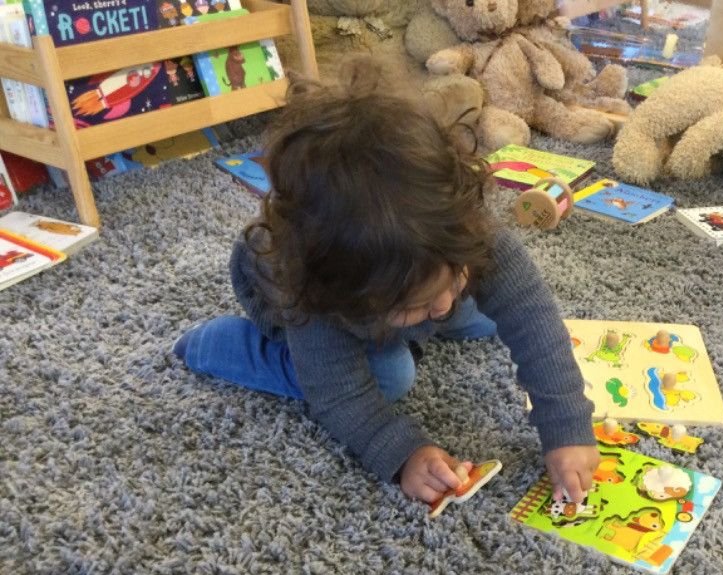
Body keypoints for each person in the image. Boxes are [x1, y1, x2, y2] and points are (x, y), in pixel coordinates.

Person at [173, 57, 598, 506]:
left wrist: (566, 421)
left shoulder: (459, 233)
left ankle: (428, 293)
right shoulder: (318, 300)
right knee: (392, 374)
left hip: (396, 275)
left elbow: (533, 317)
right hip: (289, 301)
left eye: (450, 278)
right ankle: (232, 348)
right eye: (414, 304)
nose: (440, 307)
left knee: (486, 313)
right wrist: (404, 453)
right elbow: (340, 398)